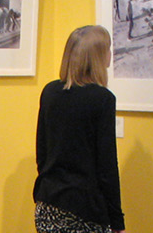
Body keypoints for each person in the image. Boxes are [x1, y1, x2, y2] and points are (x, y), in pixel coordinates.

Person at [34, 25, 126, 233]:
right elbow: (107, 166)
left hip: (48, 204)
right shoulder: (102, 99)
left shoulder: (50, 91)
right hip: (84, 209)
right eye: (108, 49)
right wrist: (117, 223)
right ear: (98, 57)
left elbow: (42, 152)